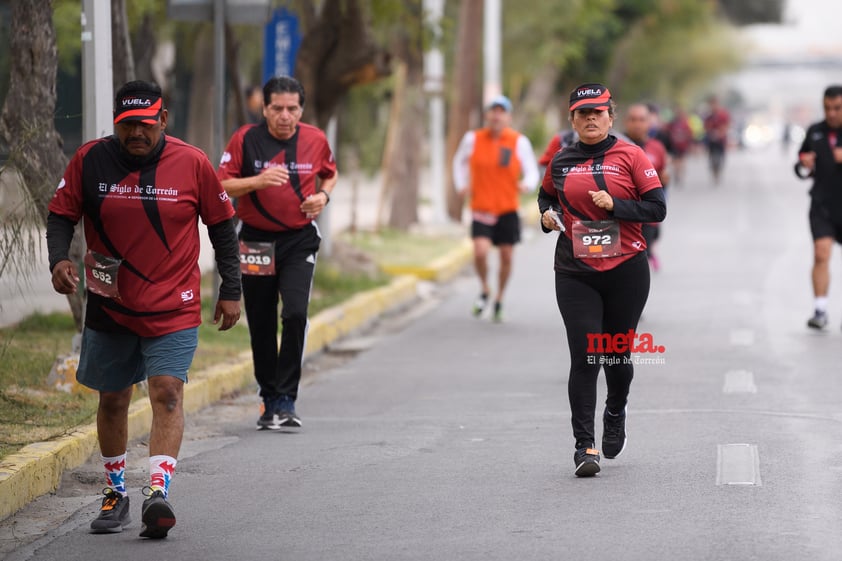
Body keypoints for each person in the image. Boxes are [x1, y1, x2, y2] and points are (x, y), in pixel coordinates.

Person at [46, 80, 242, 537]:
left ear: (163, 120)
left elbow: (223, 227)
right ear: (117, 123)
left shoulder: (192, 163)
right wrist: (58, 258)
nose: (137, 133)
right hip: (111, 305)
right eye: (127, 124)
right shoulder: (90, 160)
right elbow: (61, 214)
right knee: (113, 399)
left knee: (167, 392)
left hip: (173, 306)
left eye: (145, 124)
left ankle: (158, 491)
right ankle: (115, 492)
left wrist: (230, 289)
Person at [537, 83, 666, 477]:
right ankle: (584, 447)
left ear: (611, 116)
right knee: (584, 356)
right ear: (572, 120)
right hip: (576, 271)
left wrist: (617, 206)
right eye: (582, 113)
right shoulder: (560, 160)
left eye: (597, 112)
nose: (590, 118)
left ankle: (615, 409)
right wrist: (545, 217)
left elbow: (657, 208)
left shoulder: (631, 155)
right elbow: (545, 198)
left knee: (616, 356)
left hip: (626, 270)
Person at [217, 76, 338, 430]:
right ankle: (269, 399)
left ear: (301, 109)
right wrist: (257, 181)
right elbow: (220, 183)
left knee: (296, 314)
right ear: (265, 108)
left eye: (292, 108)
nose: (285, 116)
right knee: (262, 320)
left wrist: (324, 196)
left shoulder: (315, 139)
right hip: (255, 240)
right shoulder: (246, 139)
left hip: (298, 239)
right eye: (277, 108)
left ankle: (287, 399)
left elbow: (330, 173)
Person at [452, 94, 539, 322]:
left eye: (502, 112)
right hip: (481, 207)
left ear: (509, 117)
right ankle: (484, 289)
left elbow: (532, 170)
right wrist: (461, 184)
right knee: (480, 252)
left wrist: (527, 185)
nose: (497, 115)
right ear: (487, 115)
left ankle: (499, 296)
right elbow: (458, 161)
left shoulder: (519, 142)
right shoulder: (473, 139)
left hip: (507, 208)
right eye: (493, 111)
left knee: (506, 256)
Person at [794, 85, 842, 330]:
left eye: (837, 108)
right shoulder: (815, 131)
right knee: (821, 253)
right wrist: (805, 163)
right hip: (822, 204)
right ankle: (820, 310)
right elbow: (800, 165)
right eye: (827, 108)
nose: (832, 113)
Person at [623, 103, 670, 271]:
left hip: (646, 213)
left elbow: (664, 178)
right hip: (620, 213)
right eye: (633, 120)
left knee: (642, 253)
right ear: (625, 122)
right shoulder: (614, 147)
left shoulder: (657, 148)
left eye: (641, 120)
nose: (637, 124)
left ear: (649, 122)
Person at [703, 95, 730, 184]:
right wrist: (710, 133)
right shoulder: (709, 116)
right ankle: (714, 171)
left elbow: (727, 125)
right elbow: (705, 127)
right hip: (711, 140)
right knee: (712, 157)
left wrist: (720, 133)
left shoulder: (722, 115)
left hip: (720, 140)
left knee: (720, 157)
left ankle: (719, 170)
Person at [665, 107, 694, 186]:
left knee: (682, 161)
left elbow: (689, 134)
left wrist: (689, 144)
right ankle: (677, 173)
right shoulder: (672, 123)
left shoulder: (685, 123)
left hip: (683, 146)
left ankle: (680, 174)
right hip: (674, 145)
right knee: (676, 161)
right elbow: (667, 132)